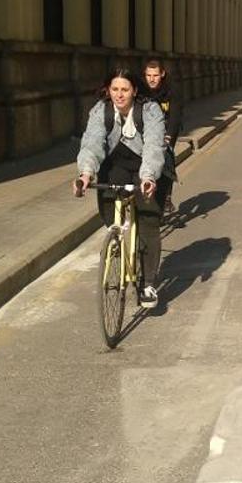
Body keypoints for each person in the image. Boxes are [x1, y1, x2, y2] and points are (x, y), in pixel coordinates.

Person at [74, 68, 168, 309]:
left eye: (124, 89)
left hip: (146, 166)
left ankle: (147, 283)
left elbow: (154, 146)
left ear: (134, 90)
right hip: (115, 164)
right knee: (108, 210)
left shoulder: (149, 110)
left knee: (148, 218)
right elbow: (92, 142)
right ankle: (118, 239)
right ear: (108, 90)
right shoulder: (100, 110)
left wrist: (148, 178)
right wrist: (85, 174)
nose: (119, 94)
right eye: (114, 89)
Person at [140, 59, 182, 215]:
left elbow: (175, 116)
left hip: (167, 129)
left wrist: (169, 138)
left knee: (166, 160)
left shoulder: (172, 89)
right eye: (148, 75)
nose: (152, 79)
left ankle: (166, 196)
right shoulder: (142, 90)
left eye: (155, 75)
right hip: (148, 130)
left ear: (162, 74)